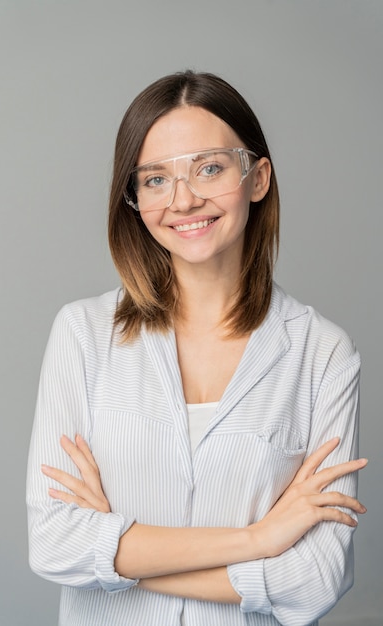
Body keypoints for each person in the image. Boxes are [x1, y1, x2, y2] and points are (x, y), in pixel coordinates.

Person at [27, 70, 367, 626]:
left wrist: (115, 547)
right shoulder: (82, 334)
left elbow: (316, 578)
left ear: (257, 178)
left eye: (208, 168)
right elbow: (53, 543)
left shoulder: (323, 353)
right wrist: (260, 537)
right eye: (155, 179)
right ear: (133, 197)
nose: (183, 200)